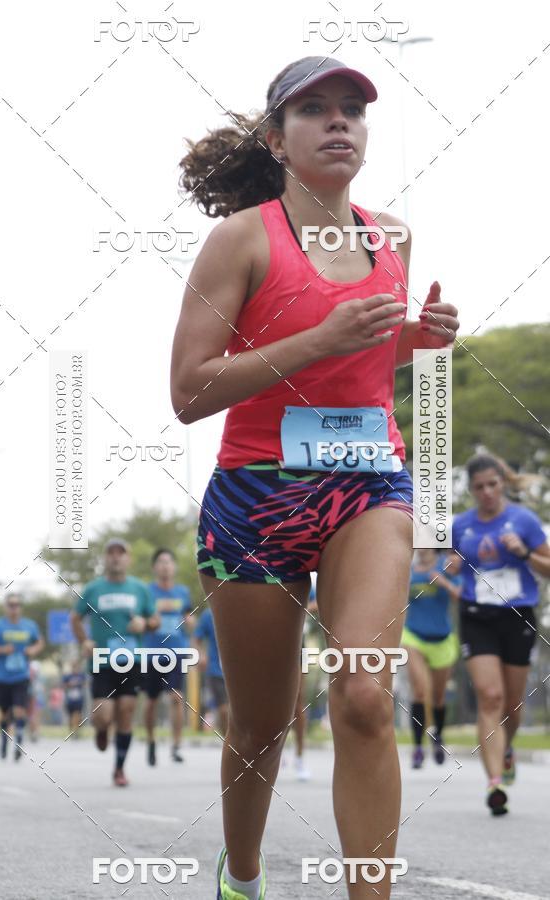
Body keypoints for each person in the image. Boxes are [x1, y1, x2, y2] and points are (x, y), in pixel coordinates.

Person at [171, 55, 459, 899]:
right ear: (276, 138)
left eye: (352, 111)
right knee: (263, 723)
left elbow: (360, 349)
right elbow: (190, 390)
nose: (339, 122)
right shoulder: (242, 238)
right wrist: (322, 340)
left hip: (369, 485)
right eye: (315, 111)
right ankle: (245, 875)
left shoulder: (392, 235)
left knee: (366, 696)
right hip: (256, 496)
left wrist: (416, 339)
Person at [449, 453, 550, 816]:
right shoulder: (461, 525)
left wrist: (523, 553)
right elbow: (449, 567)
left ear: (502, 483)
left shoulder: (523, 520)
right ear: (472, 491)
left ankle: (506, 748)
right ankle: (494, 782)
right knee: (489, 697)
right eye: (479, 487)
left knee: (512, 705)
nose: (488, 492)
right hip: (477, 615)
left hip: (518, 614)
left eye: (493, 484)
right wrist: (453, 564)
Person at [71, 537, 154, 787]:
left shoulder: (139, 589)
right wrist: (84, 641)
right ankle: (101, 729)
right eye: (111, 553)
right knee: (104, 716)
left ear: (128, 559)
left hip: (132, 660)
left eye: (121, 553)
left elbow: (155, 620)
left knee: (126, 712)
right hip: (102, 661)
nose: (116, 557)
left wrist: (145, 623)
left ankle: (119, 768)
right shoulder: (94, 589)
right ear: (105, 559)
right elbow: (75, 618)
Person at [401, 549, 461, 769]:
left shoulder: (448, 565)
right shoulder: (407, 571)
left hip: (442, 638)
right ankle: (417, 747)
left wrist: (443, 582)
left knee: (438, 697)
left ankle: (438, 737)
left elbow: (460, 595)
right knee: (419, 691)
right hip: (413, 636)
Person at [143, 548, 195, 765]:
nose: (165, 566)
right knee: (151, 700)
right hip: (151, 651)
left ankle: (176, 745)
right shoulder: (147, 592)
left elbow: (189, 618)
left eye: (169, 562)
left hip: (177, 651)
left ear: (174, 567)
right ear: (155, 567)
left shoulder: (182, 592)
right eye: (161, 562)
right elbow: (141, 619)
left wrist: (190, 622)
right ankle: (151, 740)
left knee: (176, 697)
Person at [0, 594, 44, 760]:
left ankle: (19, 741)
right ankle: (3, 740)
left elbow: (39, 642)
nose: (14, 608)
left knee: (19, 710)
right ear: (6, 607)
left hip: (21, 676)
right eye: (11, 605)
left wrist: (32, 650)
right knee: (6, 713)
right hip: (1, 677)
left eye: (17, 605)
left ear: (20, 607)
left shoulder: (29, 625)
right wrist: (1, 650)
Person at [289, 584, 319, 781]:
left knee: (298, 701)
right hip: (267, 638)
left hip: (298, 643)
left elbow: (319, 602)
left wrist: (303, 608)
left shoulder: (307, 582)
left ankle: (299, 756)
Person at [194, 604, 228, 736]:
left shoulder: (242, 610)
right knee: (224, 711)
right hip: (215, 669)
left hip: (240, 672)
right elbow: (196, 639)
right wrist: (201, 655)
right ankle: (228, 743)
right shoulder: (209, 614)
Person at [63, 661, 86, 735]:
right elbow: (64, 685)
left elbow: (86, 682)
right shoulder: (68, 676)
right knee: (70, 715)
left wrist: (78, 683)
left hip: (79, 698)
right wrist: (70, 684)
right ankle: (71, 730)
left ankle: (76, 730)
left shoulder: (81, 675)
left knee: (78, 714)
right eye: (74, 667)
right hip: (70, 699)